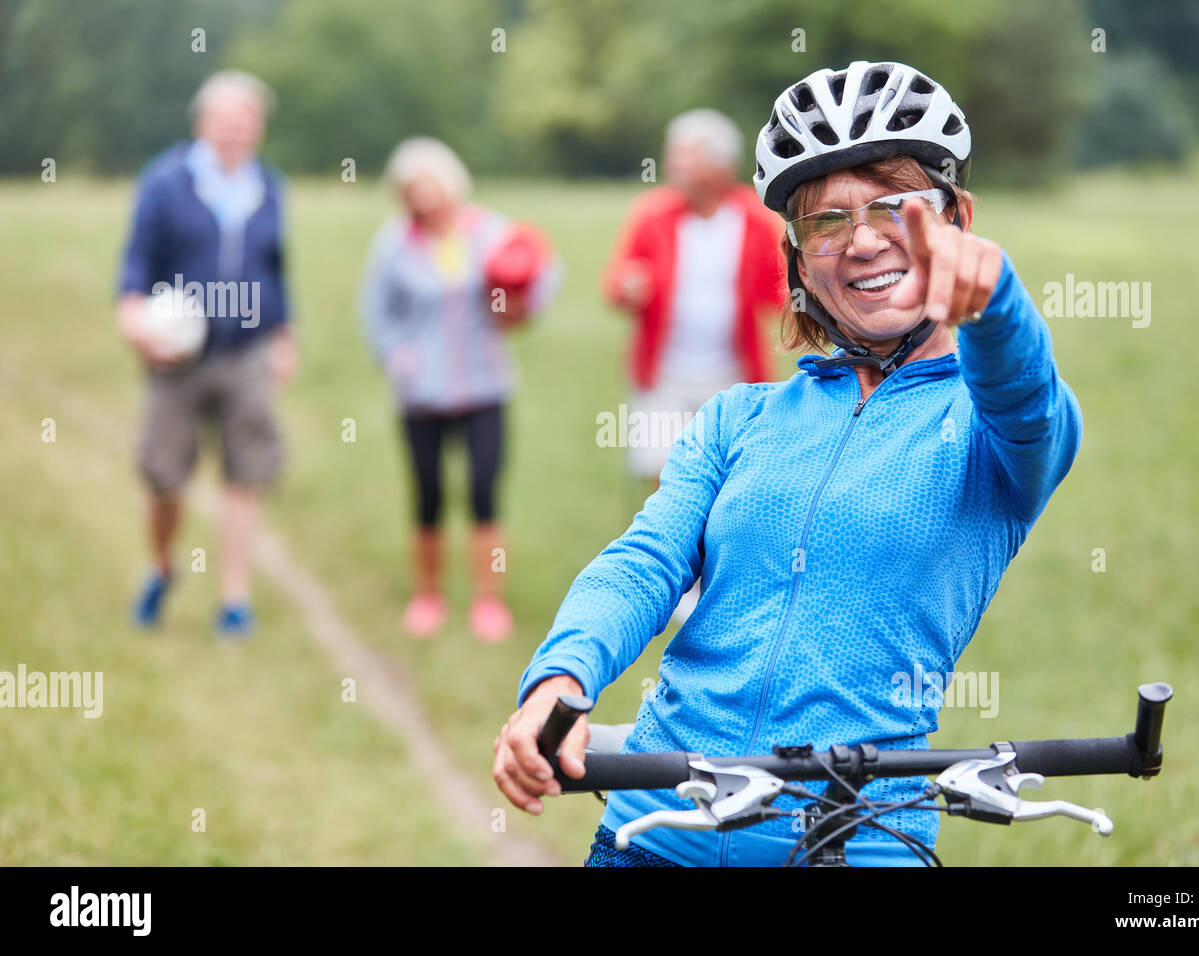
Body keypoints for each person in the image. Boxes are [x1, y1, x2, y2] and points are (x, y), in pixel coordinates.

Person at [493, 60, 1083, 866]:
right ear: (801, 262)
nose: (865, 238)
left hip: (867, 832)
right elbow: (642, 565)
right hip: (664, 826)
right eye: (826, 222)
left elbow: (1027, 397)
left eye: (893, 205)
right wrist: (558, 682)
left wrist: (998, 306)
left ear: (958, 219)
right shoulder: (741, 417)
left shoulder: (991, 430)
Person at [118, 70, 296, 637]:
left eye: (248, 119)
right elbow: (138, 260)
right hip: (176, 358)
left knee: (245, 475)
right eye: (226, 117)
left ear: (259, 128)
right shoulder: (165, 181)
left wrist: (283, 333)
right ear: (202, 122)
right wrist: (132, 317)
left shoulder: (269, 186)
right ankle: (162, 566)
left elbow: (275, 267)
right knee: (165, 479)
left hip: (245, 353)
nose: (237, 128)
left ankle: (234, 599)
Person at [360, 137, 559, 643]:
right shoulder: (393, 242)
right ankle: (427, 597)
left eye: (431, 188)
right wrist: (396, 356)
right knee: (427, 494)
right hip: (420, 394)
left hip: (484, 386)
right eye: (411, 191)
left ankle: (488, 602)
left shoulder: (490, 232)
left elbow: (545, 270)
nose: (423, 200)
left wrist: (522, 306)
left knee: (482, 492)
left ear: (451, 186)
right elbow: (375, 309)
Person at [603, 108, 785, 489]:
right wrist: (628, 287)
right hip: (664, 374)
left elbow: (782, 291)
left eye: (687, 156)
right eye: (673, 155)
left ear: (722, 165)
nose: (674, 165)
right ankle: (671, 550)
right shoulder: (653, 215)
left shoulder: (753, 219)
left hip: (733, 375)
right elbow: (616, 284)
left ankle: (715, 551)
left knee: (729, 479)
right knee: (663, 478)